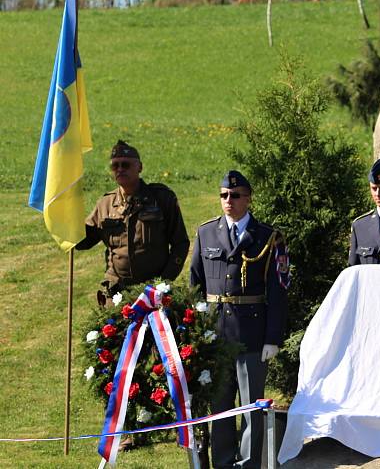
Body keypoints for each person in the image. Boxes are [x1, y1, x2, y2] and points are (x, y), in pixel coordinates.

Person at [190, 171, 290, 469]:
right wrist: (196, 334)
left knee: (251, 408)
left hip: (252, 335)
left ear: (248, 198)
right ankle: (222, 463)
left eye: (235, 196)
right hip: (217, 336)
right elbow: (195, 285)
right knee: (219, 407)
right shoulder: (206, 232)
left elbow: (279, 291)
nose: (228, 201)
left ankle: (247, 465)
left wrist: (273, 337)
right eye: (223, 195)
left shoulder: (269, 237)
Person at [76, 140, 189, 305]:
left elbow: (181, 243)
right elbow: (83, 241)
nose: (120, 169)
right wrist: (67, 223)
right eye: (115, 166)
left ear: (140, 167)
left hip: (152, 292)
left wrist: (164, 282)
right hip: (116, 293)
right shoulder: (105, 204)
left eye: (126, 165)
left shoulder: (161, 199)